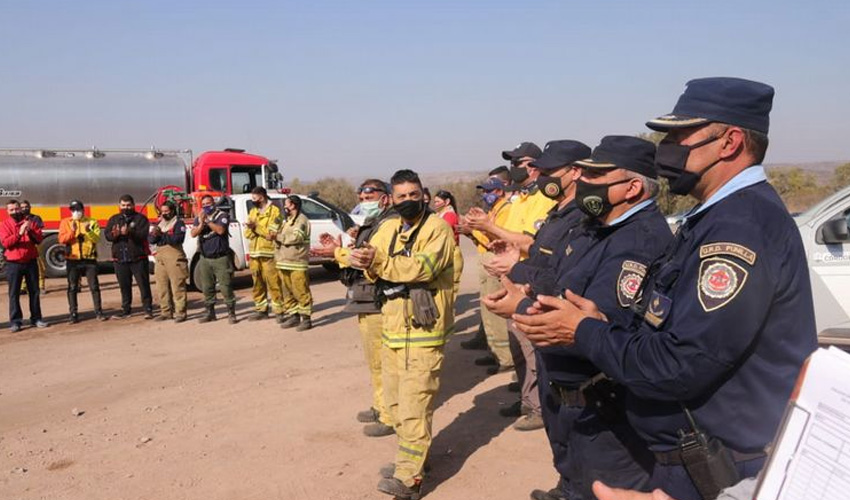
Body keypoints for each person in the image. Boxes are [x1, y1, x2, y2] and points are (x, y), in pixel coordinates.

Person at [512, 78, 818, 500]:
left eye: (679, 136)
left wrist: (584, 331)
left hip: (717, 466)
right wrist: (600, 323)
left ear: (729, 142)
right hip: (689, 458)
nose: (666, 149)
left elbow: (681, 363)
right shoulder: (713, 218)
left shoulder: (739, 228)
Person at [487, 137, 670, 500]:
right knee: (573, 478)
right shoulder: (597, 227)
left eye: (597, 175)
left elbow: (595, 327)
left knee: (603, 488)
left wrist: (519, 308)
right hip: (571, 397)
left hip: (606, 407)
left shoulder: (637, 241)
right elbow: (556, 278)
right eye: (584, 173)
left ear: (632, 187)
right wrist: (526, 290)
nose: (584, 182)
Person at [349, 169, 456, 500]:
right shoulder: (391, 227)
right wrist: (363, 258)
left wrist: (376, 262)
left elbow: (420, 268)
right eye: (401, 196)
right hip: (394, 329)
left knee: (414, 404)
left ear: (423, 194)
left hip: (423, 332)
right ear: (392, 199)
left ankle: (409, 480)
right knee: (397, 406)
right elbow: (373, 257)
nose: (407, 201)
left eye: (413, 195)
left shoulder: (437, 228)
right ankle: (413, 461)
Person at [466, 141, 555, 430]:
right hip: (512, 275)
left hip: (532, 278)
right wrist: (482, 232)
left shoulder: (544, 198)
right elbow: (506, 237)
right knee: (518, 345)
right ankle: (527, 398)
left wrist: (488, 228)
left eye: (518, 162)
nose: (514, 168)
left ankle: (540, 407)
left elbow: (529, 241)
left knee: (532, 348)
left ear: (533, 165)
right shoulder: (519, 199)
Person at [315, 179, 398, 436]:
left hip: (377, 298)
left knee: (384, 360)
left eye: (369, 197)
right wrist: (341, 247)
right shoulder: (374, 223)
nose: (364, 202)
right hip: (366, 296)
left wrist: (338, 252)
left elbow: (367, 260)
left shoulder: (389, 224)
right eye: (361, 198)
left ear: (385, 198)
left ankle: (390, 415)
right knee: (374, 359)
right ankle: (380, 405)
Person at [459, 177, 514, 367]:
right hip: (485, 258)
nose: (485, 195)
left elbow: (496, 237)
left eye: (489, 191)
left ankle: (505, 357)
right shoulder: (493, 210)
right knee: (487, 310)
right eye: (484, 191)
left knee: (496, 311)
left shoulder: (506, 210)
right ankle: (494, 351)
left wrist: (474, 229)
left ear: (499, 191)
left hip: (495, 258)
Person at [1, 199, 48, 332]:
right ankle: (16, 321)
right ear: (7, 211)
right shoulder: (4, 225)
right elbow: (6, 243)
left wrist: (30, 231)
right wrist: (20, 233)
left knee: (34, 292)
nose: (15, 212)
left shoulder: (30, 223)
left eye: (17, 209)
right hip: (13, 264)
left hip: (30, 261)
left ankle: (36, 318)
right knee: (14, 293)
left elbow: (39, 240)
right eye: (12, 210)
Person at [105, 194, 153, 319]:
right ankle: (126, 310)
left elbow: (143, 235)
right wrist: (114, 234)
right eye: (123, 205)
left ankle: (148, 309)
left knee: (144, 285)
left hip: (138, 258)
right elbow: (107, 236)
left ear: (133, 205)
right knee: (124, 286)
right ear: (119, 206)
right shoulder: (114, 219)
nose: (126, 207)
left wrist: (130, 232)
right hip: (120, 259)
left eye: (128, 205)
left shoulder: (141, 219)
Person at [58, 199, 107, 323]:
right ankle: (73, 313)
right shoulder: (66, 222)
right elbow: (62, 240)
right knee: (72, 287)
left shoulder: (91, 221)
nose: (76, 212)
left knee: (94, 286)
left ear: (83, 210)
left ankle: (99, 311)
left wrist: (89, 230)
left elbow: (97, 239)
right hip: (73, 259)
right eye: (73, 210)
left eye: (78, 209)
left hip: (89, 259)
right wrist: (73, 232)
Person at [191, 195, 238, 324]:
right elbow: (193, 233)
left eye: (209, 203)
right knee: (207, 287)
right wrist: (201, 223)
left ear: (214, 203)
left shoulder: (222, 215)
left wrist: (207, 222)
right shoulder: (200, 216)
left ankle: (231, 313)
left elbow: (220, 230)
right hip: (205, 258)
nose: (206, 206)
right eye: (204, 204)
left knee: (225, 286)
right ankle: (210, 313)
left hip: (220, 258)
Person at [243, 186, 285, 321]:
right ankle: (261, 310)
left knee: (274, 283)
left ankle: (279, 311)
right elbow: (247, 233)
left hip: (269, 254)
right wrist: (252, 228)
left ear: (262, 197)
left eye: (254, 198)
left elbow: (270, 234)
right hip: (254, 254)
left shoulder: (275, 211)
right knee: (257, 284)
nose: (253, 201)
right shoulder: (253, 211)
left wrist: (255, 227)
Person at [276, 195, 313, 331]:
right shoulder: (287, 220)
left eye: (286, 204)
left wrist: (278, 237)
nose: (284, 207)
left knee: (301, 290)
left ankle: (306, 319)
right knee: (287, 291)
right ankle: (293, 315)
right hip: (284, 261)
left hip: (297, 262)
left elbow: (297, 237)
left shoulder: (302, 220)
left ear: (293, 205)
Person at [148, 201, 189, 323]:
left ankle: (180, 312)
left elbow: (177, 239)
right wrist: (156, 234)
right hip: (160, 258)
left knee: (177, 286)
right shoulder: (159, 224)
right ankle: (165, 312)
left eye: (167, 211)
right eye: (163, 211)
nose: (165, 213)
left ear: (172, 211)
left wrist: (162, 235)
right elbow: (151, 239)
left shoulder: (178, 223)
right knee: (162, 286)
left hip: (174, 256)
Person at [433, 190, 464, 299]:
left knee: (449, 289)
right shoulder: (439, 215)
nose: (435, 204)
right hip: (443, 253)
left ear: (447, 202)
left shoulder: (449, 215)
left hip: (451, 254)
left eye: (437, 202)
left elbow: (442, 232)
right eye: (435, 202)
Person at [19, 200, 46, 294]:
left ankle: (41, 286)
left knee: (39, 265)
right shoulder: (18, 219)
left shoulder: (36, 218)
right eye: (22, 207)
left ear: (30, 207)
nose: (24, 208)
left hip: (35, 244)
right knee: (22, 265)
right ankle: (23, 287)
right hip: (23, 244)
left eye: (26, 206)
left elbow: (39, 231)